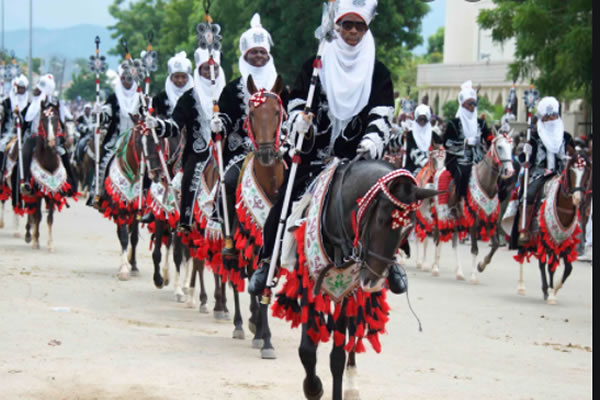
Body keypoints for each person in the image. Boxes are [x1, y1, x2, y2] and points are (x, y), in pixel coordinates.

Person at [250, 0, 407, 295]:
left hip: (358, 157)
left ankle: (392, 262)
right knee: (285, 200)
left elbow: (383, 112)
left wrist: (374, 138)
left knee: (390, 204)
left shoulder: (379, 72)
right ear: (337, 27)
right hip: (315, 156)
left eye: (359, 26)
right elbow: (296, 101)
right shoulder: (315, 65)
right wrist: (299, 121)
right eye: (346, 25)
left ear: (366, 28)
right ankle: (266, 262)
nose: (352, 32)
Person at [210, 13, 287, 238]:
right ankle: (226, 231)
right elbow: (225, 116)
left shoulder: (280, 86)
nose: (258, 56)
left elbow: (288, 116)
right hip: (242, 150)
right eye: (254, 52)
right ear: (245, 55)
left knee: (298, 180)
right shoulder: (233, 88)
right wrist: (219, 123)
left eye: (262, 52)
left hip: (277, 149)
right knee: (230, 180)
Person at [147, 47, 225, 230]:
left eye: (213, 68)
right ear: (199, 71)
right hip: (198, 152)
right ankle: (186, 219)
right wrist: (159, 125)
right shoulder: (189, 98)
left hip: (227, 150)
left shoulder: (227, 93)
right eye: (205, 68)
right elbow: (175, 125)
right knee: (189, 174)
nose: (209, 72)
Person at [508, 96, 575, 247]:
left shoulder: (566, 137)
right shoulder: (535, 136)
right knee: (530, 192)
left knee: (576, 193)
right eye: (548, 116)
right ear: (542, 118)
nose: (552, 119)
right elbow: (526, 160)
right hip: (541, 173)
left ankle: (573, 229)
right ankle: (524, 229)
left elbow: (573, 156)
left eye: (554, 116)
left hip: (561, 173)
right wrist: (525, 152)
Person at [140, 51, 194, 224]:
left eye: (183, 77)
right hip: (165, 140)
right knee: (151, 161)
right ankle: (150, 205)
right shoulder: (160, 98)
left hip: (191, 139)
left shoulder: (196, 96)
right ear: (170, 77)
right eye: (176, 77)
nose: (180, 81)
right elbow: (152, 117)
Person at [88, 59, 142, 206]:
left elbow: (146, 116)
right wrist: (100, 113)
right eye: (123, 78)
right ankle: (99, 192)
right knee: (104, 160)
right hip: (116, 139)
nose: (127, 81)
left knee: (151, 160)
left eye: (130, 78)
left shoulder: (141, 98)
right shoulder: (114, 98)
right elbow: (106, 116)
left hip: (137, 138)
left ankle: (149, 196)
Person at [20, 74, 76, 194]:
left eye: (39, 88)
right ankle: (24, 181)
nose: (36, 90)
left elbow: (67, 117)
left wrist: (69, 134)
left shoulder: (56, 102)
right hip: (35, 136)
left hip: (53, 137)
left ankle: (70, 183)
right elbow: (27, 119)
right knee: (25, 152)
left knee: (64, 153)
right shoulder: (33, 102)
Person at [443, 80, 492, 201]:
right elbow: (447, 143)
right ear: (462, 105)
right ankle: (460, 201)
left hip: (479, 158)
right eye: (469, 104)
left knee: (493, 173)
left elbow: (489, 137)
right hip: (458, 159)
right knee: (463, 172)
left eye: (474, 104)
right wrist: (465, 142)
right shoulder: (453, 123)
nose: (472, 107)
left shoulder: (481, 123)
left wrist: (499, 139)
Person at [389, 103, 442, 176]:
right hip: (412, 168)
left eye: (424, 118)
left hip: (432, 168)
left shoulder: (433, 134)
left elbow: (441, 147)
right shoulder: (410, 134)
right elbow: (413, 152)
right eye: (420, 118)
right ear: (416, 118)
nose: (422, 121)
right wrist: (426, 163)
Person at [0, 74, 30, 180]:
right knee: (2, 146)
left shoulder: (29, 104)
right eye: (19, 88)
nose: (21, 90)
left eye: (23, 88)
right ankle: (1, 171)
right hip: (9, 133)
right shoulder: (7, 102)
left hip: (24, 134)